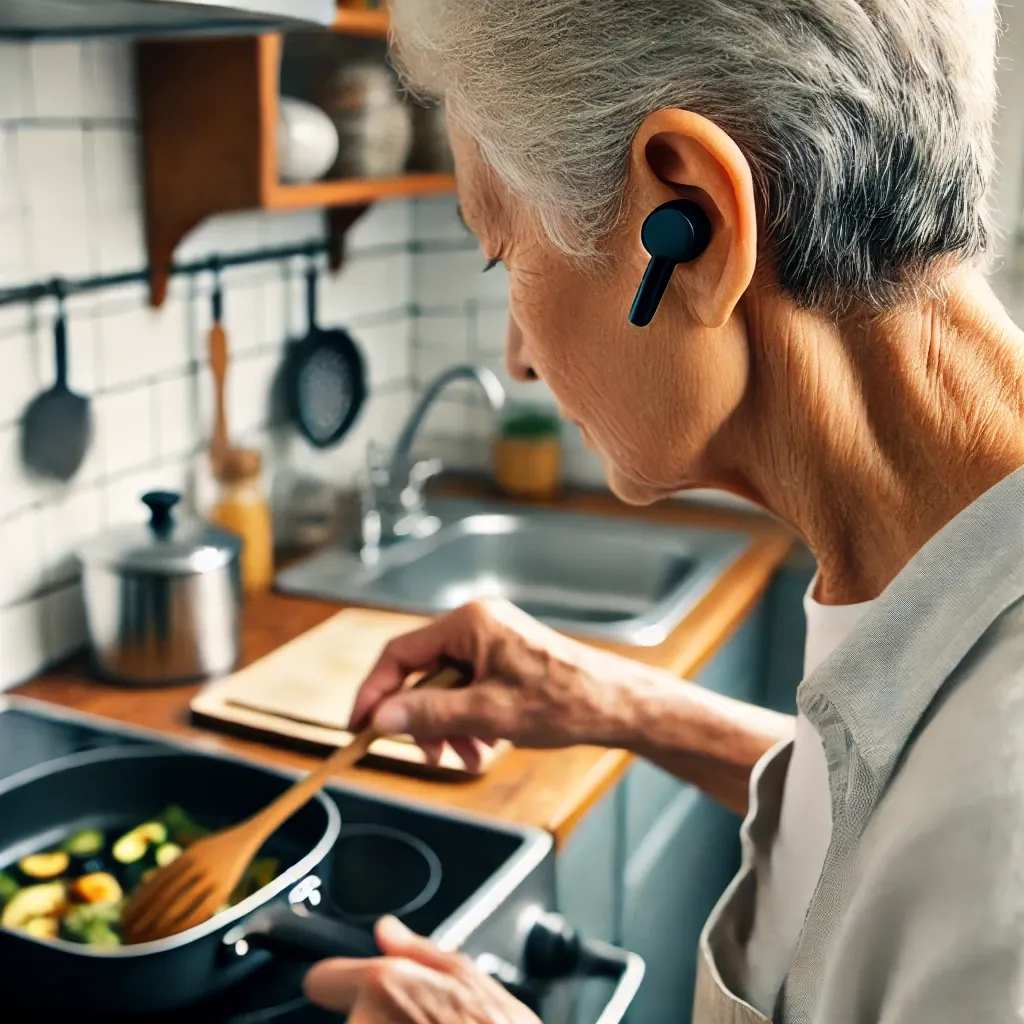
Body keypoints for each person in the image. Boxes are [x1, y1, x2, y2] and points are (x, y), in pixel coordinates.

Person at [302, 2, 1024, 1021]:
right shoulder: (941, 579)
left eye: (503, 253)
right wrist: (617, 704)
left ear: (692, 222)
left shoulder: (999, 863)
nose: (517, 356)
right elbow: (874, 827)